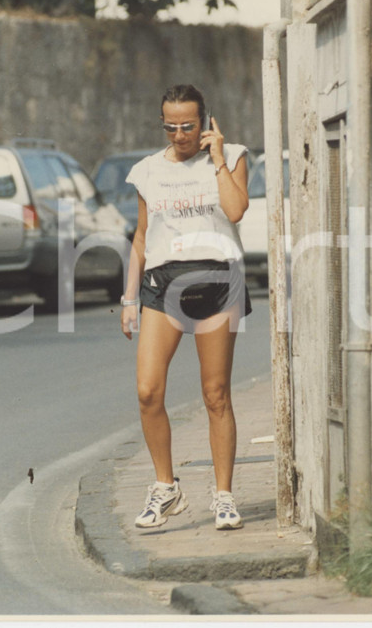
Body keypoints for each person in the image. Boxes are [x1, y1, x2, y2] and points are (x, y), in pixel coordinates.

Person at [121, 84, 251, 531]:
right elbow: (142, 235)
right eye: (171, 127)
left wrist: (217, 159)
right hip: (163, 285)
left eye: (188, 126)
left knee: (215, 394)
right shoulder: (147, 171)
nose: (179, 135)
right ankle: (166, 488)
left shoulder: (231, 156)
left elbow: (236, 211)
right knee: (147, 391)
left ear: (206, 122)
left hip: (218, 281)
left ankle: (224, 496)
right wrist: (129, 297)